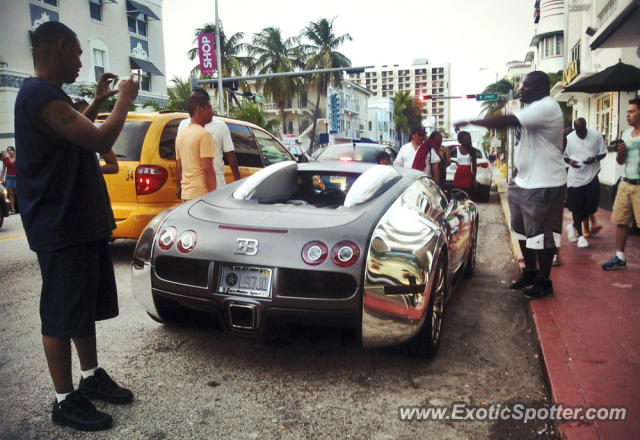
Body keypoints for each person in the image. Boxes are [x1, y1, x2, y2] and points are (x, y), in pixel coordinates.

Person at [14, 21, 136, 431]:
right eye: (80, 54)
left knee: (81, 306)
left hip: (77, 220)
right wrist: (123, 99)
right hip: (59, 222)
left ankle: (90, 376)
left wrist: (100, 99)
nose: (82, 62)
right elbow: (100, 139)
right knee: (61, 312)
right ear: (63, 47)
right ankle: (65, 400)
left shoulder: (50, 97)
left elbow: (75, 130)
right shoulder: (37, 94)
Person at [455, 71, 565, 299]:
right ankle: (531, 272)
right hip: (523, 181)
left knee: (542, 236)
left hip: (543, 182)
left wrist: (471, 121)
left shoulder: (546, 106)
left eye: (526, 86)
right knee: (522, 230)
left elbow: (509, 120)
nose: (521, 89)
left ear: (540, 88)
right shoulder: (534, 109)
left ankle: (544, 281)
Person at [602, 97, 640, 270]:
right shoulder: (626, 134)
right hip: (625, 182)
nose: (628, 115)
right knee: (621, 221)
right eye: (627, 112)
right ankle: (620, 257)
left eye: (631, 111)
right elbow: (620, 161)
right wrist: (620, 153)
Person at [177, 87, 240, 189]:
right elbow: (179, 161)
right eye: (192, 99)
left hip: (216, 185)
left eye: (196, 99)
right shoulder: (183, 126)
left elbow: (231, 156)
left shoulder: (220, 126)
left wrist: (238, 182)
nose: (193, 102)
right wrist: (178, 185)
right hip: (191, 188)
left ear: (205, 103)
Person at [563, 118, 607, 248]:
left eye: (583, 131)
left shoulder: (596, 136)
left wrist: (594, 159)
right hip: (575, 178)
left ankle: (572, 226)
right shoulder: (569, 138)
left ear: (586, 127)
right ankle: (581, 236)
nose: (581, 134)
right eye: (578, 131)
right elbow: (564, 156)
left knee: (591, 207)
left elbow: (603, 152)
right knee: (576, 208)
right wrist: (570, 162)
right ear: (575, 129)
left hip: (592, 176)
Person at [176, 94, 216, 201]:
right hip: (201, 195)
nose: (211, 112)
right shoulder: (204, 135)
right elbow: (207, 169)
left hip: (186, 195)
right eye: (208, 107)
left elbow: (179, 167)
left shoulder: (181, 135)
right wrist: (213, 196)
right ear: (199, 109)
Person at [1, 146, 17, 214]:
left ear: (14, 151)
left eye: (11, 150)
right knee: (11, 194)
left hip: (17, 178)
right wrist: (2, 179)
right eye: (8, 150)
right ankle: (12, 209)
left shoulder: (18, 158)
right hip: (9, 178)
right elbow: (3, 169)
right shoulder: (5, 159)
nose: (9, 151)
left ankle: (22, 207)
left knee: (19, 194)